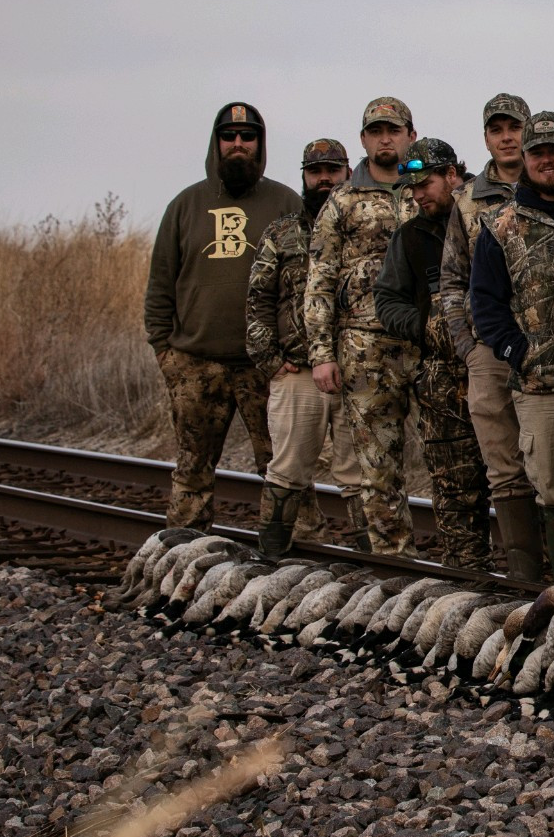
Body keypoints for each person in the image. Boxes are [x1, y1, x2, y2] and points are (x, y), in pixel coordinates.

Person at [145, 102, 301, 528]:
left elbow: (303, 284)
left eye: (247, 137)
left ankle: (293, 558)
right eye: (229, 137)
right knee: (193, 470)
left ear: (259, 144)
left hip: (267, 367)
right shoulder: (185, 205)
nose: (238, 144)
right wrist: (165, 352)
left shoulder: (286, 202)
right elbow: (161, 284)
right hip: (195, 363)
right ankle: (184, 555)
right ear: (216, 143)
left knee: (284, 471)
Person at [470, 111, 554, 585]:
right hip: (547, 384)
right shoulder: (500, 225)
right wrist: (518, 352)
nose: (548, 160)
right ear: (525, 159)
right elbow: (485, 303)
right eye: (537, 153)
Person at [303, 96, 420, 554]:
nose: (385, 138)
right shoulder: (342, 200)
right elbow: (320, 279)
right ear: (364, 140)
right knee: (377, 465)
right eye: (375, 132)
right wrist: (321, 354)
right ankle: (397, 561)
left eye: (393, 130)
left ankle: (461, 561)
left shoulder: (430, 188)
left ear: (411, 133)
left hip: (427, 343)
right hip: (364, 348)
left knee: (453, 459)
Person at [373, 137, 493, 569]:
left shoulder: (489, 213)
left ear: (452, 175)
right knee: (455, 486)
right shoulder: (409, 236)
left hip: (497, 364)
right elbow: (386, 300)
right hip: (442, 378)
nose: (419, 194)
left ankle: (530, 578)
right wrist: (426, 326)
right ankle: (469, 578)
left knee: (517, 477)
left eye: (426, 183)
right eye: (412, 188)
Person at [438, 94, 543, 579]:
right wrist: (467, 345)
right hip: (488, 351)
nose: (507, 137)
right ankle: (522, 574)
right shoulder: (467, 201)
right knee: (503, 464)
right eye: (497, 129)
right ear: (485, 137)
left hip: (546, 344)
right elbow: (452, 281)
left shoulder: (553, 179)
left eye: (514, 127)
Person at [245, 138, 366, 556]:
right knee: (287, 469)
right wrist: (270, 360)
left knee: (361, 474)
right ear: (304, 177)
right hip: (297, 374)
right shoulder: (280, 233)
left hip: (356, 372)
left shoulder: (363, 229)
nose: (325, 179)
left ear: (348, 173)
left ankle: (376, 568)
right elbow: (258, 299)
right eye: (316, 172)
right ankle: (271, 558)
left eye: (333, 170)